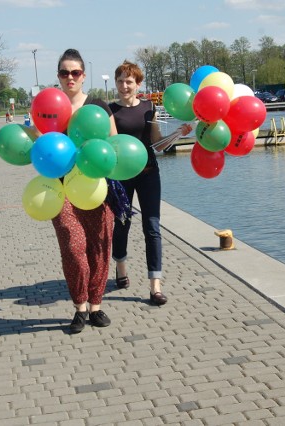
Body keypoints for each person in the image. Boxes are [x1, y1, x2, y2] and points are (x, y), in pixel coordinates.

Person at [109, 61, 192, 306]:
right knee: (122, 223)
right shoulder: (110, 111)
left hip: (148, 173)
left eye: (129, 81)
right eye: (120, 81)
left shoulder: (148, 108)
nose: (124, 86)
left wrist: (177, 133)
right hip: (121, 175)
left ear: (138, 84)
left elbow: (157, 144)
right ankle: (121, 267)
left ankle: (155, 285)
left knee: (152, 226)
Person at [51, 48, 118, 333]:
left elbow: (113, 142)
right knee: (73, 244)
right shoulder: (51, 106)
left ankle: (96, 306)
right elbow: (43, 145)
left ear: (83, 76)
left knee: (99, 248)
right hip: (62, 188)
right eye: (64, 72)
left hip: (96, 188)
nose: (70, 77)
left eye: (75, 72)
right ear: (58, 76)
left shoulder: (99, 107)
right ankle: (80, 305)